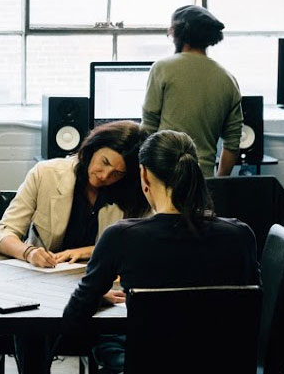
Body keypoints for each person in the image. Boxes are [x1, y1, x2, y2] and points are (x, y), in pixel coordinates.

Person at [62, 130, 258, 374]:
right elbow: (251, 313)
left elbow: (73, 318)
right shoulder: (240, 235)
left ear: (143, 175)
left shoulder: (122, 237)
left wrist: (96, 298)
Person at [0, 120, 150, 268]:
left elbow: (144, 244)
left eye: (117, 173)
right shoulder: (45, 173)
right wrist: (29, 252)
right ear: (93, 149)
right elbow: (3, 234)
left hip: (101, 279)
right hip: (45, 275)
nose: (105, 176)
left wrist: (87, 251)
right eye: (104, 162)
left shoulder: (130, 192)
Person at [140, 5, 244, 177]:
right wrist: (217, 182)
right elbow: (232, 144)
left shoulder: (163, 68)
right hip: (204, 182)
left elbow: (148, 129)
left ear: (178, 34)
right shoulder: (228, 79)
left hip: (165, 177)